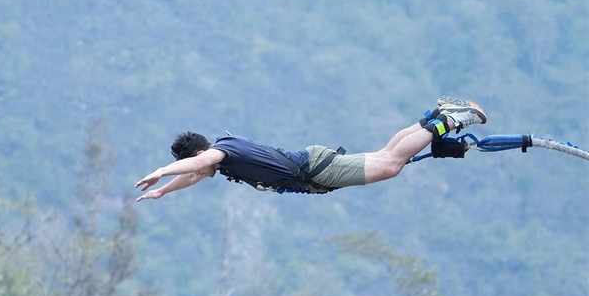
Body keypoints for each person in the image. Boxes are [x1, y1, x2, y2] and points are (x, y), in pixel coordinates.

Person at [134, 96, 487, 200]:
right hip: (314, 166)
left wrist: (162, 171)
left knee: (391, 165)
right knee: (385, 155)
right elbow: (195, 174)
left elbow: (200, 165)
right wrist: (164, 191)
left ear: (197, 155)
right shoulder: (221, 158)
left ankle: (454, 119)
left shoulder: (220, 153)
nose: (198, 173)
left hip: (314, 169)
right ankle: (437, 115)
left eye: (193, 165)